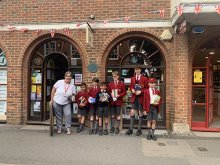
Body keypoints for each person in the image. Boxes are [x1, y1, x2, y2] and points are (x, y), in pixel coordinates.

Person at [126, 66, 148, 136]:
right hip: (134, 97)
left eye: (138, 69)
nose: (137, 70)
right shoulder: (132, 78)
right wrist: (132, 89)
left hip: (141, 97)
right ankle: (131, 129)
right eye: (136, 69)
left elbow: (147, 88)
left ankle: (139, 129)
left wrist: (141, 92)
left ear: (140, 70)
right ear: (135, 70)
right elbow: (131, 86)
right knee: (132, 112)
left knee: (140, 112)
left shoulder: (145, 78)